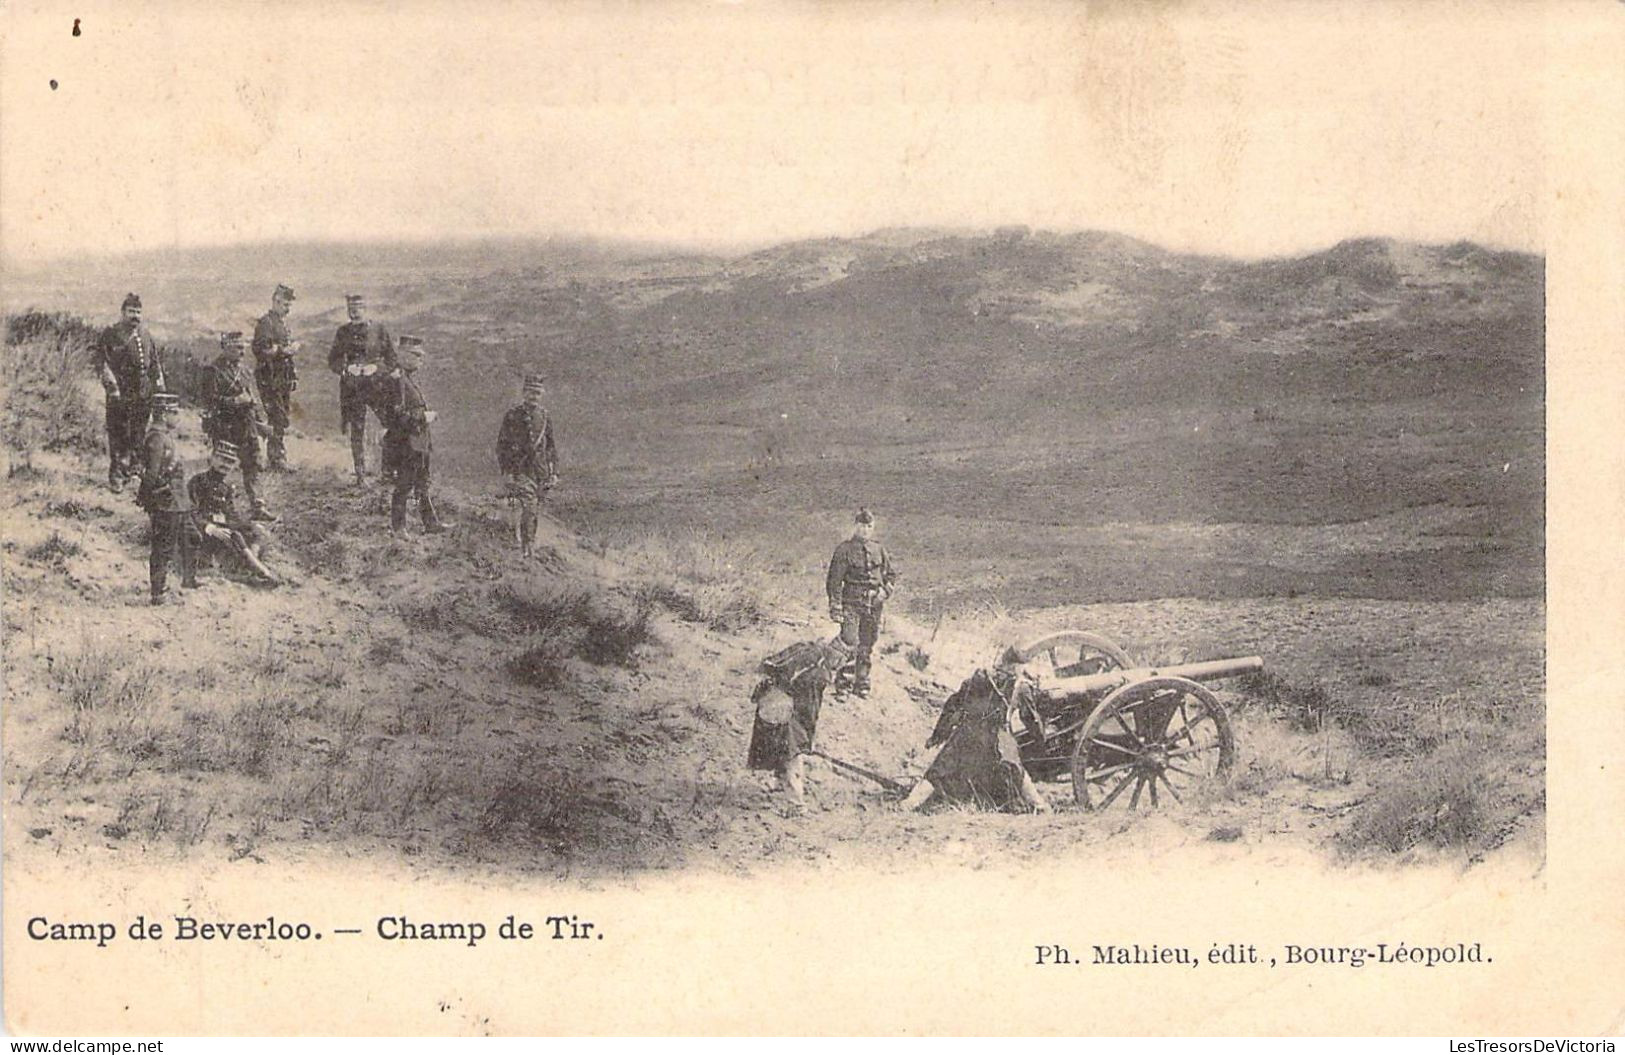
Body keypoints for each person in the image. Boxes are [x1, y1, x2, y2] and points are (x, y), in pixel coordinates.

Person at [898, 666, 1052, 814]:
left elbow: (952, 705)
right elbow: (1031, 719)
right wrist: (1041, 739)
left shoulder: (976, 679)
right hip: (995, 736)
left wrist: (938, 735)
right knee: (1016, 769)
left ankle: (909, 804)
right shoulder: (1021, 686)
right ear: (1018, 667)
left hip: (966, 732)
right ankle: (1041, 806)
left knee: (939, 769)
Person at [746, 637, 853, 812]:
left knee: (780, 744)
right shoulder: (820, 674)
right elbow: (810, 709)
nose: (839, 665)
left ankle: (779, 783)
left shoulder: (807, 648)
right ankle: (796, 804)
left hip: (770, 698)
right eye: (840, 661)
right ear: (835, 655)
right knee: (792, 754)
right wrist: (807, 738)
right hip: (783, 706)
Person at [200, 331, 277, 522]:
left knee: (253, 466)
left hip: (247, 426)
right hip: (225, 426)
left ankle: (258, 506)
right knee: (221, 469)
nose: (242, 352)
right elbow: (209, 401)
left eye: (243, 348)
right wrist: (234, 401)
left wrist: (261, 422)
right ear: (226, 347)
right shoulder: (213, 371)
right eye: (237, 348)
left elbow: (253, 398)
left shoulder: (245, 370)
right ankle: (215, 507)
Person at [94, 292, 165, 492]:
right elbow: (101, 362)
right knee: (119, 434)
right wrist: (112, 386)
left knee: (138, 433)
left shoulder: (145, 334)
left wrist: (159, 386)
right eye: (131, 311)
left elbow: (155, 363)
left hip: (143, 393)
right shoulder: (111, 334)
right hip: (120, 393)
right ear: (123, 312)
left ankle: (134, 471)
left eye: (138, 312)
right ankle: (117, 475)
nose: (135, 316)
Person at [378, 335, 448, 536]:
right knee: (404, 484)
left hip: (418, 442)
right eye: (416, 355)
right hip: (406, 442)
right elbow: (396, 415)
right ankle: (399, 528)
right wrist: (423, 417)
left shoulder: (407, 378)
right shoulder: (397, 380)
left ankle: (430, 523)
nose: (421, 359)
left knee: (422, 482)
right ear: (403, 354)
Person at [824, 508, 897, 698]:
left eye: (869, 526)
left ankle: (862, 683)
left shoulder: (879, 549)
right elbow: (834, 581)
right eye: (862, 526)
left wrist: (884, 592)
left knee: (867, 643)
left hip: (874, 605)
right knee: (849, 640)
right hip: (852, 603)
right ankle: (843, 685)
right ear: (855, 526)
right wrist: (835, 606)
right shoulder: (844, 550)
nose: (865, 530)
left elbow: (891, 576)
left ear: (873, 528)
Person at [326, 293, 396, 484]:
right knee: (357, 430)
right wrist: (347, 368)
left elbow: (391, 359)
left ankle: (388, 472)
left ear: (365, 308)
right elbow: (333, 359)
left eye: (357, 308)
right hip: (353, 388)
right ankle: (360, 474)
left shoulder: (379, 329)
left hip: (377, 386)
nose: (354, 312)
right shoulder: (342, 332)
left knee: (391, 424)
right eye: (350, 308)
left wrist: (376, 368)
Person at [187, 441, 277, 586]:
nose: (226, 465)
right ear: (212, 458)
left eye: (230, 462)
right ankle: (263, 572)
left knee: (255, 531)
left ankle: (252, 566)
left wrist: (249, 525)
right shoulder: (197, 481)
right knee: (236, 536)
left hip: (223, 526)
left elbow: (231, 514)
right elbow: (190, 512)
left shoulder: (226, 487)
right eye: (222, 459)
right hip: (203, 530)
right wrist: (210, 528)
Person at [135, 393, 197, 605]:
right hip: (164, 501)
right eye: (175, 412)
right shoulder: (156, 438)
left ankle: (167, 585)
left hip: (174, 500)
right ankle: (158, 593)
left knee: (173, 545)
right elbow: (151, 474)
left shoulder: (164, 436)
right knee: (162, 547)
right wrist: (151, 497)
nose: (178, 417)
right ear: (164, 413)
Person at [496, 373, 559, 558]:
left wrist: (554, 472)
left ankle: (528, 541)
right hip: (520, 469)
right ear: (524, 393)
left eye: (538, 393)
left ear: (542, 394)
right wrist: (507, 471)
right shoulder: (513, 415)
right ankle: (527, 546)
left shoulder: (545, 416)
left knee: (534, 508)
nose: (534, 396)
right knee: (530, 506)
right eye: (531, 392)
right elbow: (502, 446)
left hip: (539, 472)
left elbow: (551, 447)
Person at [251, 283, 299, 471]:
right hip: (269, 377)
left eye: (289, 305)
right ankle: (276, 458)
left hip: (282, 377)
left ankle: (276, 456)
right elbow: (260, 350)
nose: (288, 309)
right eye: (285, 305)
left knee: (281, 416)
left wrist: (292, 374)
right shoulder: (266, 323)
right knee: (277, 416)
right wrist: (283, 350)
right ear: (276, 302)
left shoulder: (281, 323)